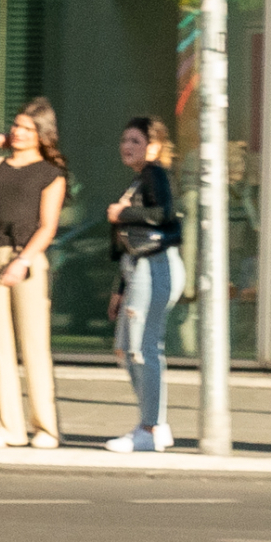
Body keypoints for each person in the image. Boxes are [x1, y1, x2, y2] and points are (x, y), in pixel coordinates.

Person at [0, 98, 68, 449]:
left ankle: (45, 429)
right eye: (17, 125)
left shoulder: (51, 174)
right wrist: (1, 139)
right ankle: (8, 426)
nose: (19, 132)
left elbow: (48, 227)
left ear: (43, 134)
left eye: (27, 128)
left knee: (34, 346)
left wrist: (24, 261)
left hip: (27, 259)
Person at [103, 115, 183, 454]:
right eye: (125, 140)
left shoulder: (154, 173)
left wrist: (121, 214)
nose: (127, 146)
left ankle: (150, 428)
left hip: (156, 266)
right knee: (126, 346)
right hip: (138, 268)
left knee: (142, 348)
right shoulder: (139, 180)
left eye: (135, 141)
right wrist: (119, 289)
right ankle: (154, 422)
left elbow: (161, 214)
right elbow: (130, 241)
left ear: (154, 147)